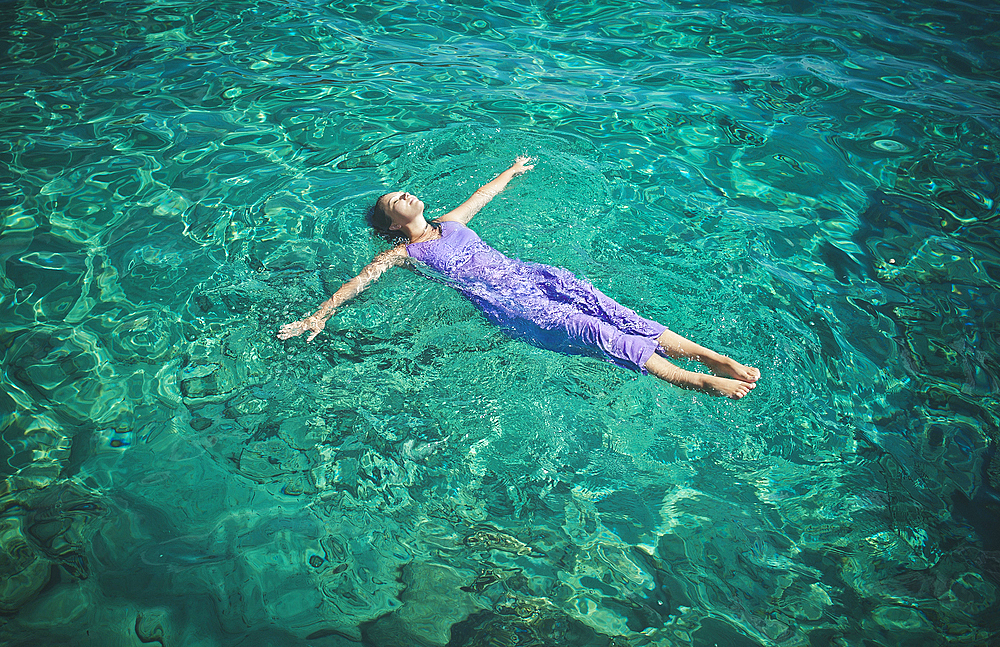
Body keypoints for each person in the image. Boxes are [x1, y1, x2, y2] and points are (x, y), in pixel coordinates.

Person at [278, 157, 760, 399]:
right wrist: (319, 315)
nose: (402, 194)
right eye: (392, 201)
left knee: (616, 314)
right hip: (512, 305)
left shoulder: (450, 222)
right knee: (596, 333)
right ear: (390, 226)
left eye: (402, 191)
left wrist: (511, 170)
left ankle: (711, 357)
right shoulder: (404, 255)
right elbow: (358, 281)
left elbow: (482, 195)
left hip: (538, 277)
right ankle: (694, 380)